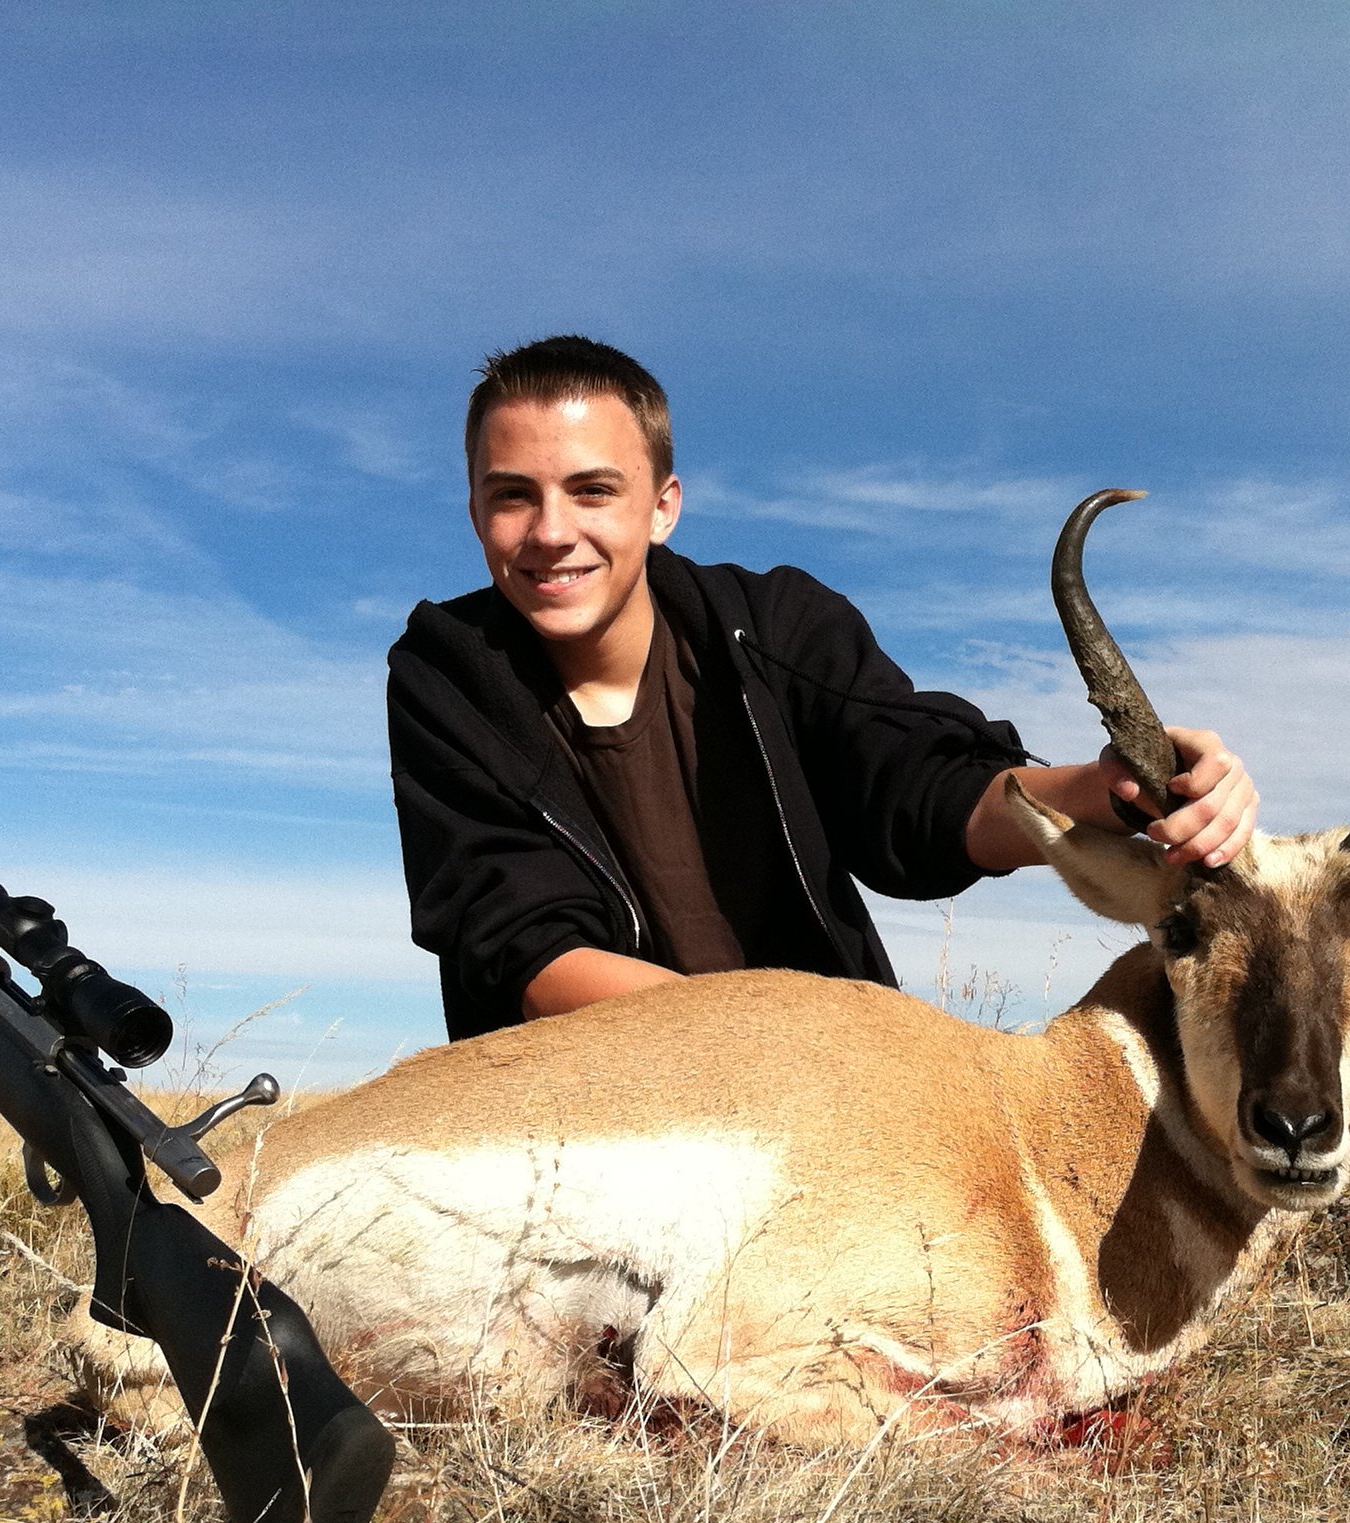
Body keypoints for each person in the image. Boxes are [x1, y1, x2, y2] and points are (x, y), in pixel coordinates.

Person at [386, 336, 1259, 1039]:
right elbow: (529, 952)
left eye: (592, 491)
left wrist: (1111, 789)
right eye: (512, 496)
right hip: (606, 1108)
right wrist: (800, 1046)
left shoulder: (779, 626)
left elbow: (918, 798)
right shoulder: (447, 672)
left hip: (826, 1102)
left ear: (663, 507)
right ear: (473, 512)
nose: (550, 532)